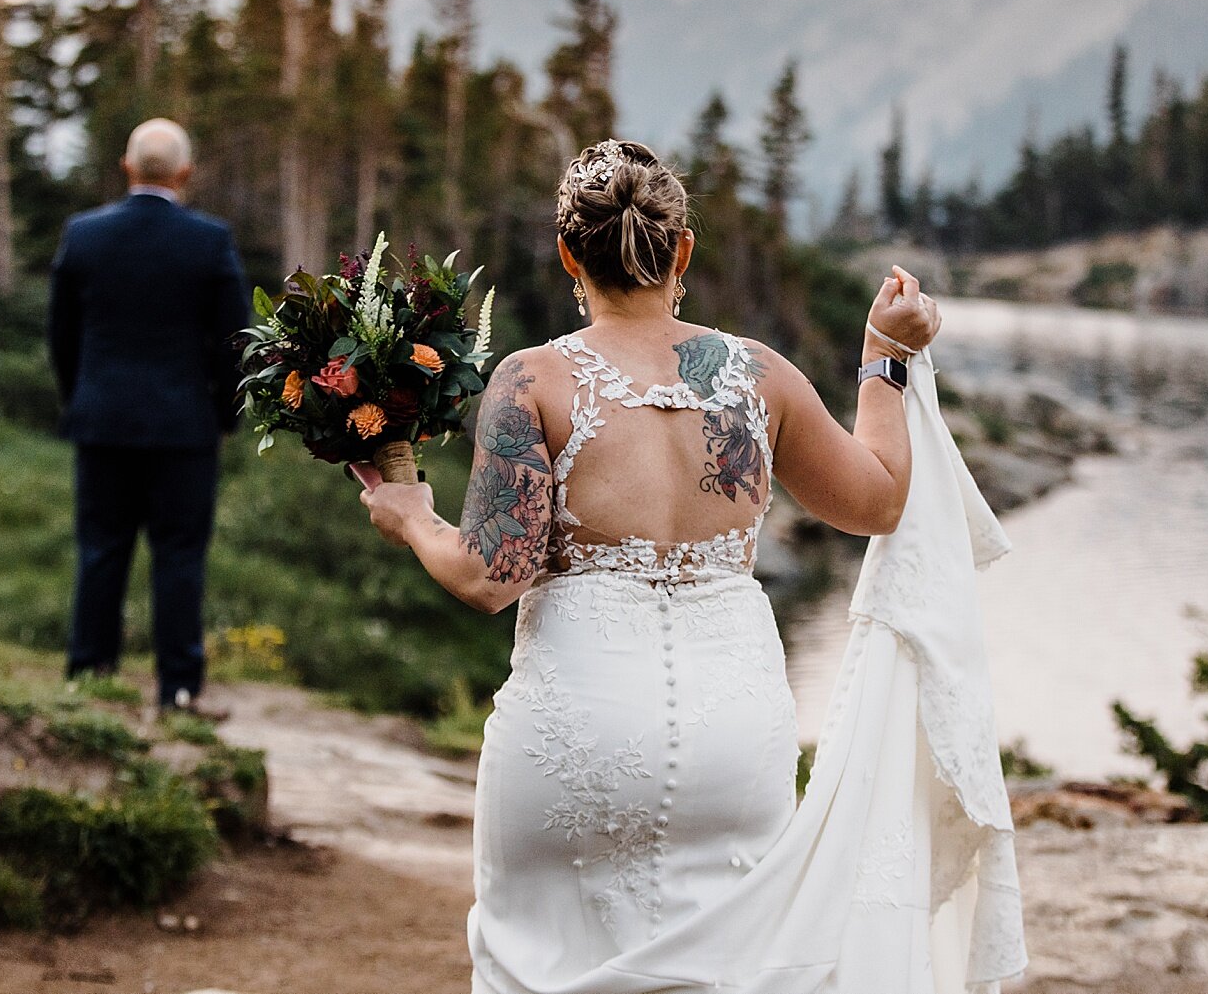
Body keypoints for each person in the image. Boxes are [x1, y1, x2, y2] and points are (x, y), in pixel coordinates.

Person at [360, 140, 1025, 993]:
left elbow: (492, 576)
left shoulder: (531, 380)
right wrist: (882, 359)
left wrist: (415, 518)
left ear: (569, 254)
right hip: (734, 740)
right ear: (682, 251)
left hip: (575, 738)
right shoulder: (759, 377)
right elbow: (881, 500)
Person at [48, 118, 251, 713]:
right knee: (180, 556)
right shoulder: (209, 241)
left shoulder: (83, 235)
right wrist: (221, 415)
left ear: (127, 167)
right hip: (184, 428)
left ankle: (88, 678)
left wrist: (81, 399)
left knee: (101, 549)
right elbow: (234, 340)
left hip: (102, 421)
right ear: (185, 174)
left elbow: (61, 336)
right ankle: (179, 689)